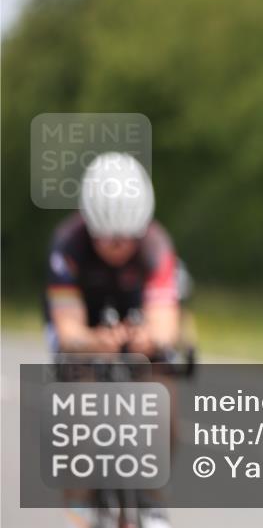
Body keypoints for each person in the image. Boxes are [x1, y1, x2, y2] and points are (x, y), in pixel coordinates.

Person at [44, 151, 181, 528]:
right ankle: (82, 494)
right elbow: (69, 330)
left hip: (136, 317)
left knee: (163, 395)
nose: (117, 249)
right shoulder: (67, 245)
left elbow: (165, 324)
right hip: (84, 323)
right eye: (107, 240)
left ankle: (151, 496)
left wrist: (147, 340)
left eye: (126, 240)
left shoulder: (157, 245)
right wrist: (94, 342)